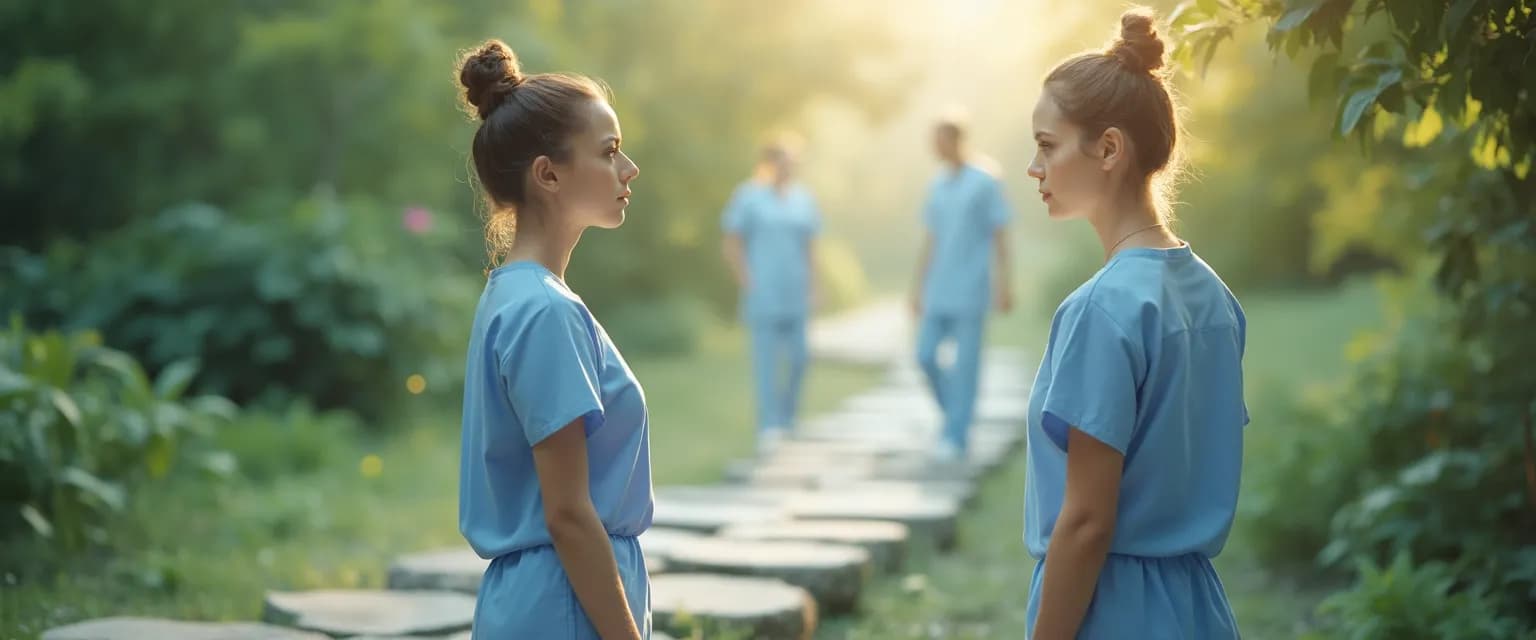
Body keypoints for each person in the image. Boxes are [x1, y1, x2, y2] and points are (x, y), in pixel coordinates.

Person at [1022, 8, 1247, 639]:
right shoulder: (1215, 298)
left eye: (1046, 146)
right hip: (1199, 609)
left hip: (1112, 610)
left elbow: (1088, 522)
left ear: (1110, 148)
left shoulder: (1101, 309)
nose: (1034, 169)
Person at [454, 39, 650, 640]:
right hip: (562, 605)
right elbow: (566, 513)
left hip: (549, 599)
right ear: (548, 174)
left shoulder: (517, 296)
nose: (629, 169)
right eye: (610, 151)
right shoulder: (543, 311)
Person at [909, 114, 1015, 462]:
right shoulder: (937, 183)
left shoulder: (985, 180)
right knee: (924, 356)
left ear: (956, 141)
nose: (935, 148)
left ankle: (956, 437)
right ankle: (955, 417)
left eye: (940, 141)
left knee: (966, 366)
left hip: (972, 287)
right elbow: (931, 237)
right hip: (939, 286)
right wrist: (917, 287)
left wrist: (1005, 284)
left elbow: (1000, 233)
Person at [721, 136, 822, 453]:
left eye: (792, 162)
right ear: (770, 162)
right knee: (766, 362)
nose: (787, 168)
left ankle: (789, 419)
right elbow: (731, 241)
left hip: (796, 290)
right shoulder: (749, 196)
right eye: (782, 161)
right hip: (764, 291)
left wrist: (815, 284)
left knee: (800, 358)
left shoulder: (803, 199)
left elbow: (810, 247)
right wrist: (746, 278)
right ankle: (769, 426)